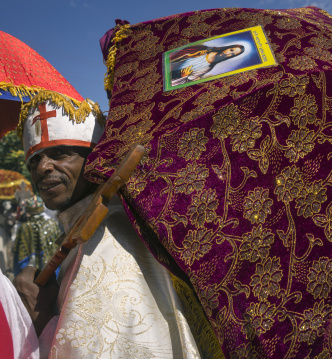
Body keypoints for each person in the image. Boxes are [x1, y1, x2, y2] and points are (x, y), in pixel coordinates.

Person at [13, 90, 203, 358]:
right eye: (34, 159)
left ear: (94, 158)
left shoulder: (109, 245)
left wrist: (41, 321)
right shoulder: (82, 234)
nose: (42, 167)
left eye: (60, 153)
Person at [13, 195, 61, 276]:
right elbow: (60, 244)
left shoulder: (25, 226)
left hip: (31, 269)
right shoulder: (52, 223)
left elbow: (18, 251)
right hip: (53, 265)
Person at [170, 44, 244, 85]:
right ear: (228, 47)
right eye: (231, 50)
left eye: (233, 54)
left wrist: (181, 75)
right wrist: (189, 55)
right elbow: (177, 53)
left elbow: (187, 80)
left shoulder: (207, 68)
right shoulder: (203, 49)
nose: (229, 53)